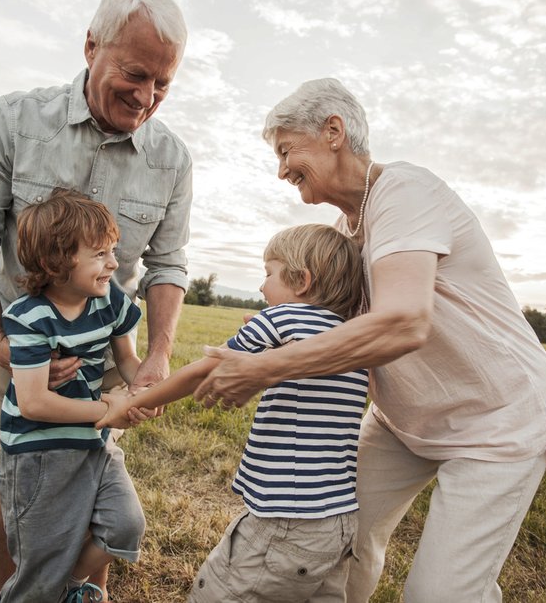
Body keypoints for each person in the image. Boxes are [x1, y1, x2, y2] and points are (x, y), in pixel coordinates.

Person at [193, 78, 546, 602]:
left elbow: (404, 321)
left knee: (440, 594)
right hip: (404, 421)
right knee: (334, 541)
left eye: (287, 151)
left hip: (496, 421)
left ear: (334, 132)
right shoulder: (343, 229)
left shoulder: (405, 191)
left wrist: (265, 369)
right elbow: (324, 324)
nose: (281, 169)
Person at [0, 0, 191, 598]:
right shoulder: (12, 121)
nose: (146, 96)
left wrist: (154, 357)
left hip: (106, 357)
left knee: (100, 489)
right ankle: (14, 594)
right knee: (12, 479)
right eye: (134, 73)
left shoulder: (172, 159)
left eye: (162, 83)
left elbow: (168, 266)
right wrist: (4, 347)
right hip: (20, 347)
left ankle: (74, 594)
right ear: (89, 46)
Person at [98, 223, 369, 603]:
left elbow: (203, 369)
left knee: (221, 593)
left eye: (268, 273)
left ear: (302, 281)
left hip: (284, 520)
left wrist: (133, 401)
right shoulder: (353, 341)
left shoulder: (283, 319)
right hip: (339, 523)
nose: (261, 287)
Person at [0, 189, 145, 603]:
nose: (114, 263)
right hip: (38, 456)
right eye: (100, 254)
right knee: (37, 574)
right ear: (56, 261)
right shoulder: (29, 317)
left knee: (125, 526)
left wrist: (142, 390)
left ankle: (69, 588)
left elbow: (128, 359)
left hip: (94, 443)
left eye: (112, 251)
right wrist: (107, 410)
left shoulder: (109, 299)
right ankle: (49, 590)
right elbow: (34, 404)